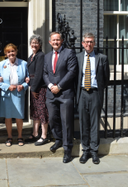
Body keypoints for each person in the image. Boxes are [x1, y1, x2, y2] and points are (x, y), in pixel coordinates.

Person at [43, 32, 77, 163]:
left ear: (62, 41)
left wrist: (60, 86)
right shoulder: (47, 56)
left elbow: (72, 72)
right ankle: (58, 140)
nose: (56, 42)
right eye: (53, 40)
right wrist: (51, 85)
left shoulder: (69, 53)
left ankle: (67, 149)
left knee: (66, 122)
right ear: (49, 42)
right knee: (53, 118)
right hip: (51, 93)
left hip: (65, 94)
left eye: (58, 40)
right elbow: (45, 73)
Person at [76, 32, 110, 164]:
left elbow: (106, 79)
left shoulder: (102, 58)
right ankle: (85, 150)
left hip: (95, 93)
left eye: (91, 41)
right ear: (83, 44)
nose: (88, 44)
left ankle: (94, 151)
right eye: (86, 41)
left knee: (95, 123)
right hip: (82, 93)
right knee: (83, 123)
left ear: (94, 43)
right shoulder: (78, 57)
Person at [0, 43, 29, 147]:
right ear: (6, 54)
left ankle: (20, 136)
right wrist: (7, 87)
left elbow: (28, 79)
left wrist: (23, 86)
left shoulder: (23, 63)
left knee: (19, 117)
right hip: (7, 93)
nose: (11, 53)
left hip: (18, 93)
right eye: (8, 51)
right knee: (8, 117)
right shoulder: (1, 64)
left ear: (16, 52)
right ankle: (9, 137)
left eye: (13, 51)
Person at [25, 35, 49, 146]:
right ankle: (35, 133)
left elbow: (39, 74)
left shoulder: (40, 55)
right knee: (35, 111)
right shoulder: (31, 56)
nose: (34, 44)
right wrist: (28, 79)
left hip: (39, 88)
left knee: (42, 111)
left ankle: (44, 135)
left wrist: (33, 88)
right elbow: (31, 73)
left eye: (36, 43)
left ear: (40, 45)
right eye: (32, 42)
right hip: (33, 86)